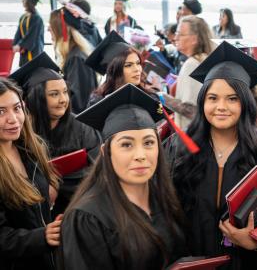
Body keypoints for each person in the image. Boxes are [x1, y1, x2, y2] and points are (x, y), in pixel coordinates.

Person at [169, 41, 257, 270]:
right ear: (202, 101)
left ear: (245, 102)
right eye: (212, 98)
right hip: (191, 262)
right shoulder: (179, 147)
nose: (221, 107)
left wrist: (256, 244)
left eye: (232, 98)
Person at [60, 84, 187, 269]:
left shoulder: (164, 196)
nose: (140, 154)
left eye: (149, 142)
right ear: (105, 151)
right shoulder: (88, 218)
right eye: (127, 145)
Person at [9, 52, 101, 217]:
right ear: (37, 97)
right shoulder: (20, 132)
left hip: (77, 207)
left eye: (65, 92)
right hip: (34, 212)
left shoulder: (83, 127)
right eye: (54, 94)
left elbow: (97, 170)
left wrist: (56, 182)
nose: (63, 99)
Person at [0, 77, 61, 270]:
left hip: (47, 259)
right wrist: (42, 236)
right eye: (1, 112)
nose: (13, 119)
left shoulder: (30, 150)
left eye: (17, 108)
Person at [48, 6, 97, 114]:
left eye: (51, 26)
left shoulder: (77, 59)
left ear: (60, 29)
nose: (48, 29)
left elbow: (79, 102)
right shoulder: (72, 54)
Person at [172, 15, 214, 128]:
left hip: (191, 137)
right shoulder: (205, 59)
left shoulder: (191, 64)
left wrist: (162, 98)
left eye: (180, 34)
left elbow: (190, 110)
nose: (175, 38)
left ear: (194, 39)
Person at [85, 31, 144, 106]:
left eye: (138, 63)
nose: (137, 69)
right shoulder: (98, 104)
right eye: (128, 65)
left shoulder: (147, 96)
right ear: (113, 70)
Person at [12, 0, 45, 66]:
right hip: (25, 49)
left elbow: (32, 34)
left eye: (24, 0)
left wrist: (21, 45)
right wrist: (16, 44)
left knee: (33, 70)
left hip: (33, 49)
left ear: (29, 2)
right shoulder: (23, 17)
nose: (22, 1)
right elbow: (19, 32)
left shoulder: (37, 18)